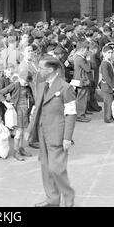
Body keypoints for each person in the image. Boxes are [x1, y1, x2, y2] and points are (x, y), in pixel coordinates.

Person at [25, 57, 76, 207]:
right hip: (42, 133)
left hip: (57, 135)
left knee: (56, 168)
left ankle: (68, 197)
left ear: (50, 70)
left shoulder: (66, 88)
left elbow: (71, 113)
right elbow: (37, 109)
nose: (38, 70)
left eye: (41, 68)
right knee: (46, 168)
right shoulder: (41, 86)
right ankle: (52, 200)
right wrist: (30, 129)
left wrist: (67, 137)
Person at [0, 69, 35, 161]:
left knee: (22, 132)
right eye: (24, 82)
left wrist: (33, 106)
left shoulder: (27, 86)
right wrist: (6, 103)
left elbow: (31, 98)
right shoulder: (14, 85)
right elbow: (0, 93)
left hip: (25, 111)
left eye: (27, 82)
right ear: (19, 78)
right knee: (18, 133)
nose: (26, 84)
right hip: (17, 112)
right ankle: (16, 151)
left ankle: (21, 149)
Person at [73, 41, 91, 122]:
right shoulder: (80, 59)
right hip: (81, 80)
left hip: (79, 79)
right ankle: (80, 115)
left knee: (81, 97)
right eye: (86, 50)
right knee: (81, 98)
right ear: (82, 49)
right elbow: (87, 68)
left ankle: (82, 113)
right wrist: (88, 60)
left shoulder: (77, 57)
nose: (87, 52)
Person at [100, 45, 114, 123]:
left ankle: (110, 116)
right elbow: (106, 77)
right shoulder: (104, 63)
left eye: (111, 52)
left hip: (109, 86)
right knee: (108, 103)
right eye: (108, 53)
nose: (110, 54)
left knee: (110, 102)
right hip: (107, 87)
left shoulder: (109, 62)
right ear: (104, 53)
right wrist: (113, 86)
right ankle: (107, 118)